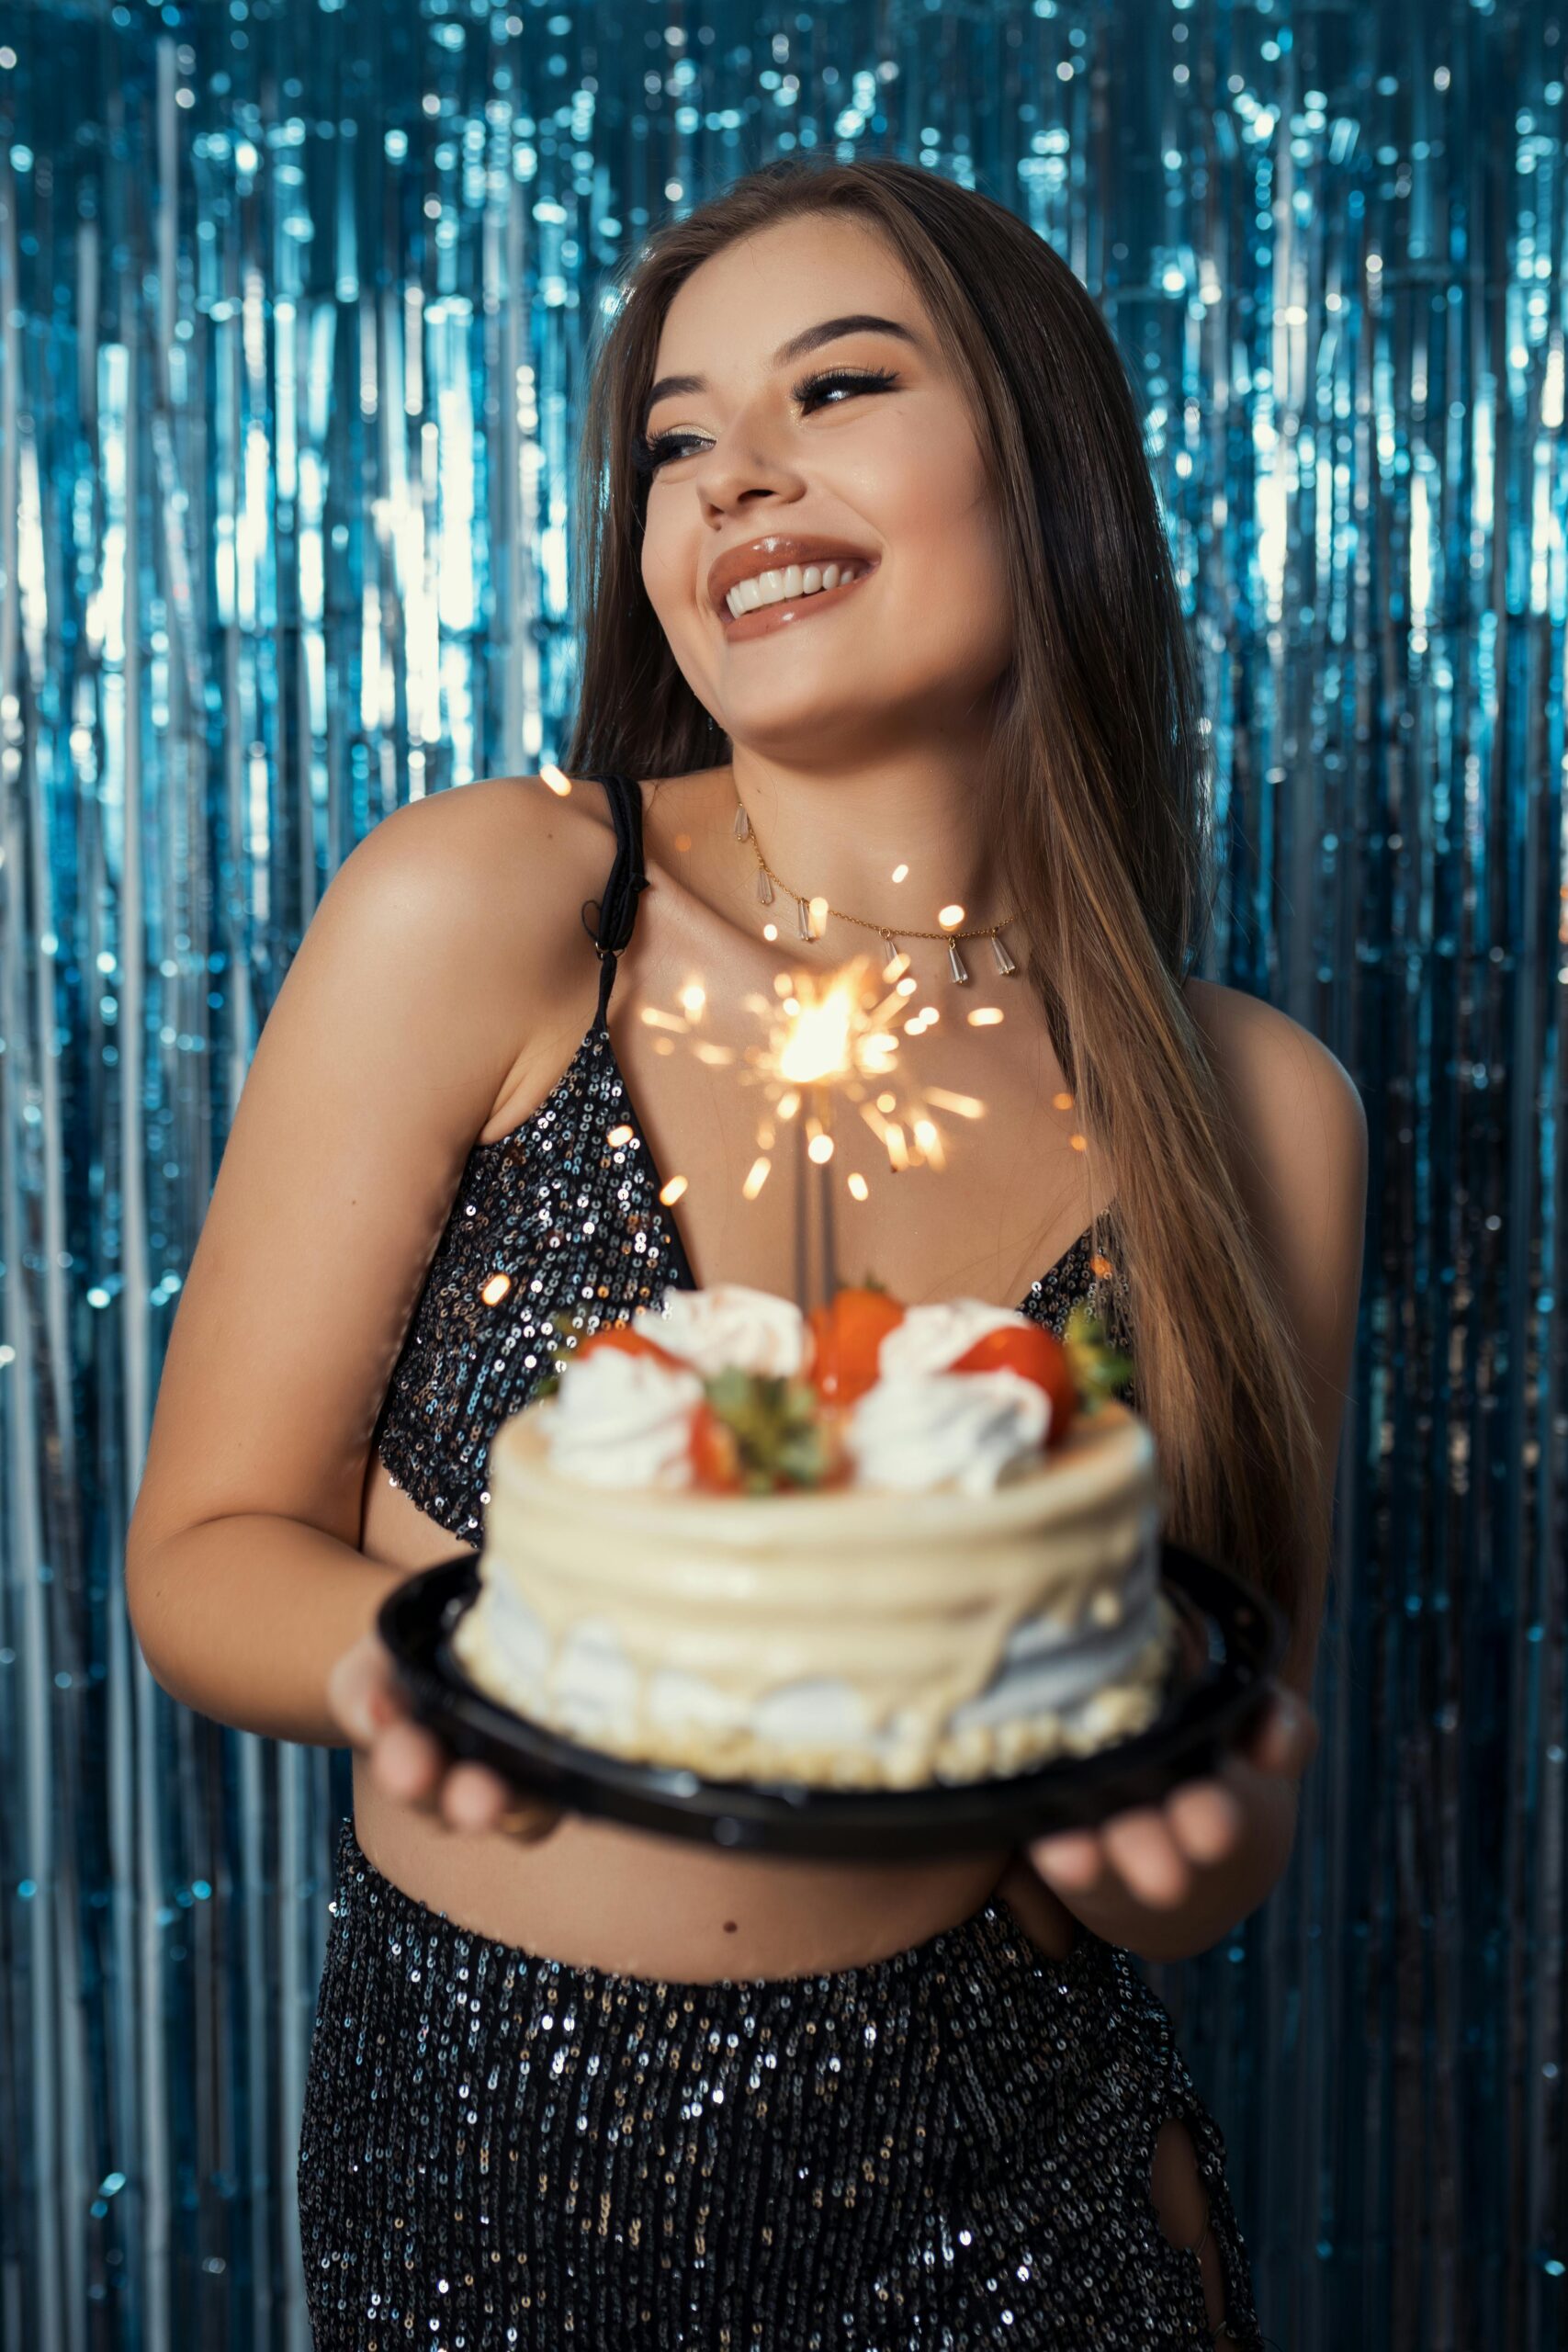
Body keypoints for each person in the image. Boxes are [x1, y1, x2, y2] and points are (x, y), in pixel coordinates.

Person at [126, 158, 1366, 2349]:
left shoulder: (1258, 1110)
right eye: (675, 440)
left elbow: (1209, 1796)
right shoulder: (493, 905)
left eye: (836, 383)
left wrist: (1167, 1838)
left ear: (1044, 456)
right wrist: (441, 1669)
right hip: (487, 2210)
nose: (731, 478)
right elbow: (205, 1548)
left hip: (1012, 2221)